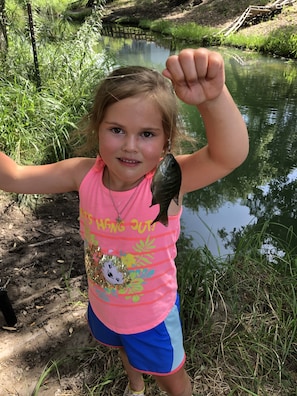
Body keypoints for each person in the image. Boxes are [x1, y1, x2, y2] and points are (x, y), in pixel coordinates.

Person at [0, 48, 249, 396]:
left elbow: (228, 155)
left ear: (166, 141)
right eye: (117, 129)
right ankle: (135, 387)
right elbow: (13, 177)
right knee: (122, 350)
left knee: (173, 379)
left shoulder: (170, 178)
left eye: (147, 134)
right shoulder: (82, 173)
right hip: (103, 306)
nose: (130, 146)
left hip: (153, 319)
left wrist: (212, 98)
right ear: (97, 127)